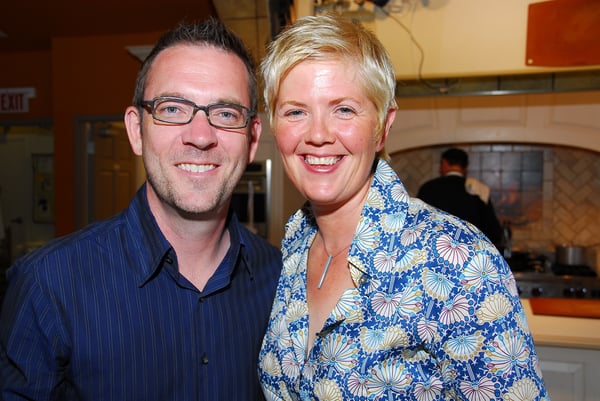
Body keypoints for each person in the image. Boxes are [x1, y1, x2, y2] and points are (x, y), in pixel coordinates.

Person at [257, 14, 548, 401]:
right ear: (274, 125)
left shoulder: (457, 261)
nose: (318, 134)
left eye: (344, 110)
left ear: (382, 125)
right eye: (296, 111)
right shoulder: (294, 247)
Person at [0, 19, 282, 401]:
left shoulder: (282, 281)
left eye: (226, 113)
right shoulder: (47, 286)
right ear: (136, 131)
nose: (201, 136)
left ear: (252, 139)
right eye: (172, 108)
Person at [418, 147, 503, 247]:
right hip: (470, 251)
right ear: (465, 167)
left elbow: (418, 224)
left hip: (435, 249)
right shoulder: (479, 189)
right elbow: (494, 233)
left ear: (444, 163)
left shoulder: (428, 188)